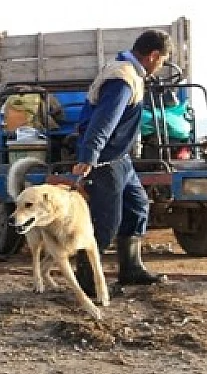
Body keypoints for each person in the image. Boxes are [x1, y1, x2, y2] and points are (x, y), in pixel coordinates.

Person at [70, 29, 171, 287]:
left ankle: (131, 268)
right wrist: (89, 155)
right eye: (161, 61)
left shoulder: (127, 71)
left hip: (120, 159)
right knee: (105, 223)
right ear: (153, 56)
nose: (160, 68)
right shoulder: (123, 79)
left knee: (137, 207)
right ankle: (88, 282)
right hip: (105, 161)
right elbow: (104, 120)